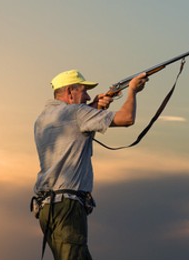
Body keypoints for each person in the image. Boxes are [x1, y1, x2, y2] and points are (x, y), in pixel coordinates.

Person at [31, 69, 148, 259]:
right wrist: (133, 91)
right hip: (68, 207)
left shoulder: (42, 119)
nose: (87, 96)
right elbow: (127, 119)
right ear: (70, 92)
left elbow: (71, 129)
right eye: (83, 91)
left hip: (47, 207)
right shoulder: (77, 113)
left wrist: (94, 107)